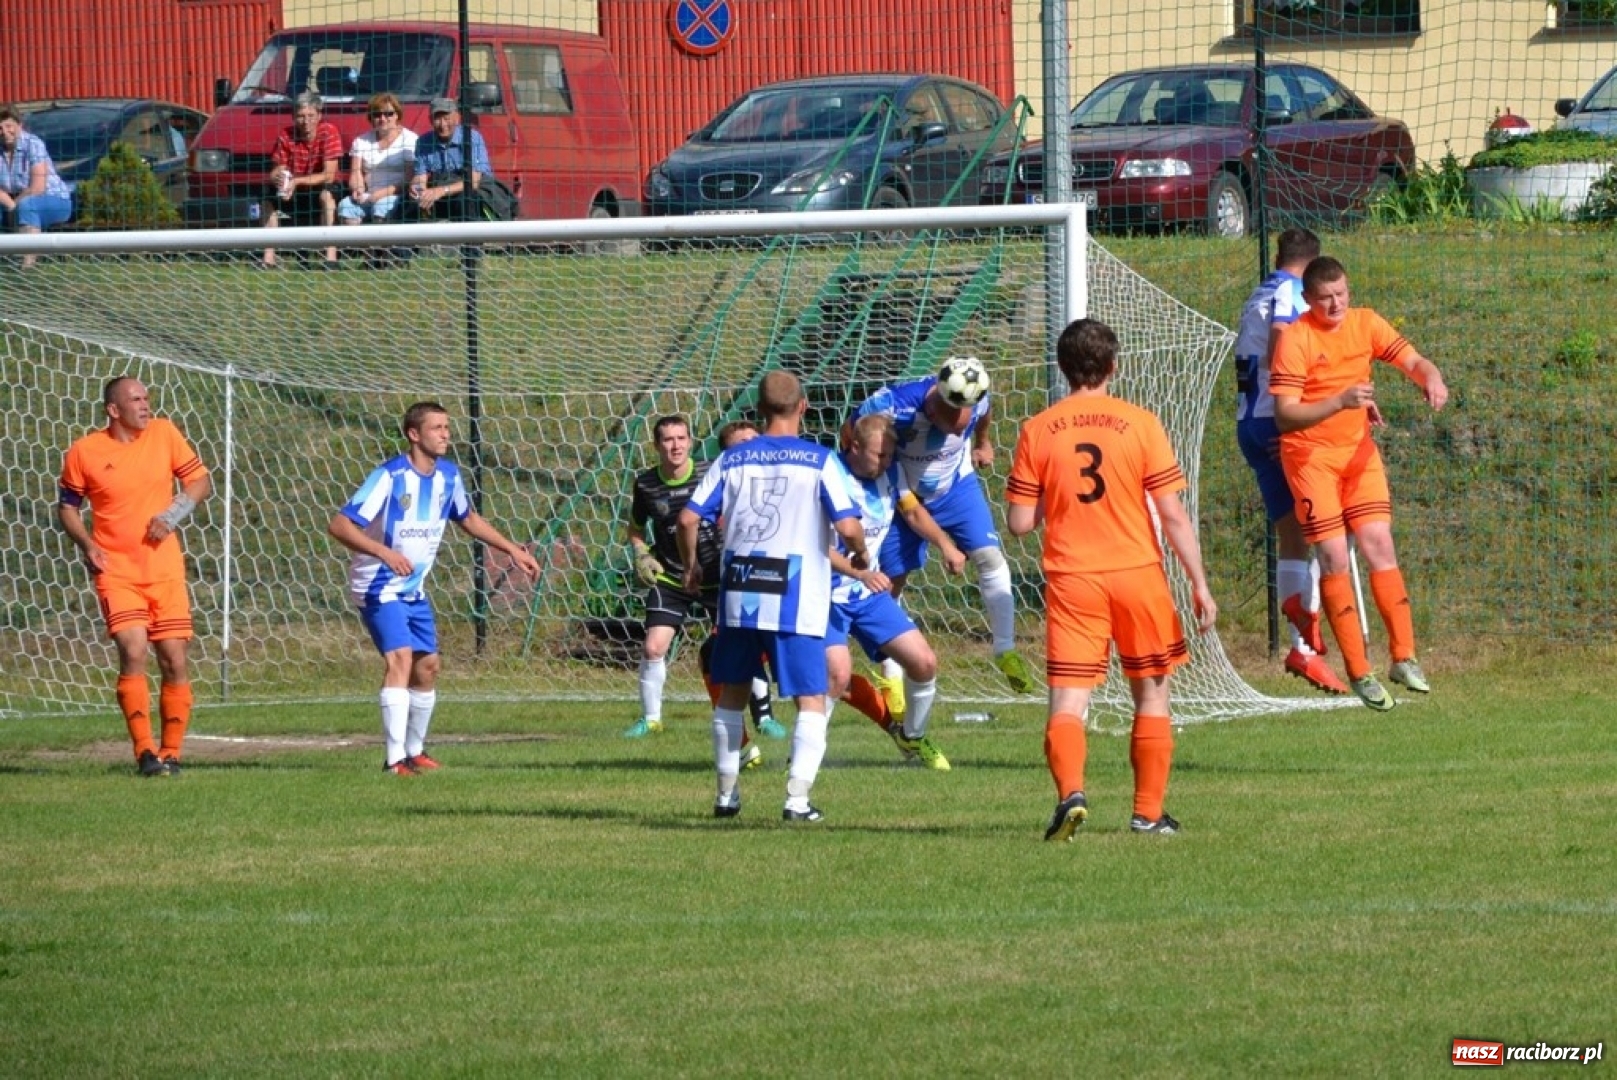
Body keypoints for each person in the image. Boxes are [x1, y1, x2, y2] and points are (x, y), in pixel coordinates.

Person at [1006, 319, 1217, 840]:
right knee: (1152, 694)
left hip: (1073, 577)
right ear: (1113, 367)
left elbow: (1019, 523)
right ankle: (1147, 813)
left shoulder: (1038, 428)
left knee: (1068, 700)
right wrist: (1199, 582)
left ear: (1062, 368)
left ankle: (1071, 794)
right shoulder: (1140, 423)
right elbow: (1171, 514)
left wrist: (1051, 497)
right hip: (1136, 575)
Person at [678, 370, 868, 822]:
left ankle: (726, 796)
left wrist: (691, 566)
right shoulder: (819, 460)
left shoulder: (732, 459)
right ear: (803, 406)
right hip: (793, 596)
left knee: (732, 694)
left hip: (740, 593)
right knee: (811, 698)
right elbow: (847, 526)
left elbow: (687, 519)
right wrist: (860, 552)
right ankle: (796, 801)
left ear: (760, 410)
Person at [1270, 256, 1449, 711]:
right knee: (1333, 557)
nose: (1336, 304)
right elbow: (1285, 415)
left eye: (1342, 294)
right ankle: (1359, 670)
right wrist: (1340, 401)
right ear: (1307, 299)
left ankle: (1403, 657)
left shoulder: (1365, 322)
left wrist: (1431, 378)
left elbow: (1413, 360)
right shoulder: (1295, 338)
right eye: (1325, 298)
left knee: (1379, 544)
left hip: (1358, 455)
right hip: (1311, 459)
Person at [328, 401, 540, 774]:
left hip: (412, 588)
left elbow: (468, 518)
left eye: (447, 427)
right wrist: (383, 552)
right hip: (378, 584)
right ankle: (394, 761)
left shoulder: (448, 476)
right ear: (414, 434)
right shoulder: (389, 477)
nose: (445, 434)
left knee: (428, 666)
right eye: (437, 428)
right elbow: (340, 525)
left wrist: (511, 549)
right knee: (400, 658)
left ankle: (415, 751)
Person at [847, 360, 1035, 705]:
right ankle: (891, 674)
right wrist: (867, 479)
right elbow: (852, 430)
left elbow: (986, 412)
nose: (953, 430)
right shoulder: (891, 403)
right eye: (948, 424)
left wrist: (983, 443)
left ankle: (1005, 650)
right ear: (934, 405)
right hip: (904, 493)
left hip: (955, 486)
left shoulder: (976, 397)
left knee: (990, 558)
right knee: (890, 581)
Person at [58, 377, 212, 777]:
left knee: (174, 658)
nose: (146, 405)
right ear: (114, 410)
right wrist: (87, 544)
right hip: (117, 572)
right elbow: (68, 507)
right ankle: (145, 753)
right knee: (134, 650)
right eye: (136, 399)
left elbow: (201, 481)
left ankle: (171, 754)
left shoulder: (164, 433)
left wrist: (173, 514)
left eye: (147, 398)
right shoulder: (85, 451)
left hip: (164, 570)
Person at [623, 414, 784, 748]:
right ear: (656, 445)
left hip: (719, 574)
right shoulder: (646, 485)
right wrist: (642, 554)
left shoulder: (711, 472)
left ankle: (765, 717)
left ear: (691, 442)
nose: (675, 446)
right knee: (653, 647)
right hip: (672, 576)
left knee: (744, 646)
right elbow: (635, 529)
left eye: (681, 438)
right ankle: (651, 719)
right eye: (668, 439)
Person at [1234, 227, 1347, 695]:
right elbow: (1283, 342)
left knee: (1295, 535)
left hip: (1250, 421)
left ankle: (1303, 646)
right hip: (1277, 421)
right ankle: (1306, 642)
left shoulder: (1260, 291)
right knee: (1329, 526)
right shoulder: (1291, 291)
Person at [826, 413, 966, 771]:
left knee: (924, 662)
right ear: (853, 446)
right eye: (880, 455)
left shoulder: (892, 472)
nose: (886, 462)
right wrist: (859, 572)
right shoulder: (828, 475)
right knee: (835, 677)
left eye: (890, 454)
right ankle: (804, 760)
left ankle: (912, 736)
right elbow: (813, 544)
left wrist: (946, 546)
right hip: (824, 596)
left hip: (866, 594)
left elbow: (914, 513)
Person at [260, 92, 341, 269]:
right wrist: (279, 178)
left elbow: (329, 175)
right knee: (266, 199)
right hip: (295, 189)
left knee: (327, 196)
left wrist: (296, 181)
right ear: (293, 117)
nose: (306, 121)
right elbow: (277, 169)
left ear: (319, 115)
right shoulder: (285, 135)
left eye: (310, 116)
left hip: (320, 186)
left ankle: (330, 258)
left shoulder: (329, 131)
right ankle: (268, 258)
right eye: (301, 116)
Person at [0, 104, 76, 269]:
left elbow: (38, 188)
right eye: (0, 128)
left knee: (28, 205)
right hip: (16, 201)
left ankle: (28, 266)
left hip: (54, 199)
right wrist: (11, 205)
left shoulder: (33, 144)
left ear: (19, 125)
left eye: (9, 126)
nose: (4, 132)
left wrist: (15, 205)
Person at [336, 93, 417, 227]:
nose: (382, 118)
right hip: (368, 195)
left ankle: (381, 241)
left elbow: (409, 178)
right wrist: (358, 188)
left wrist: (381, 194)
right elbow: (356, 172)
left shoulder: (410, 139)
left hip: (398, 195)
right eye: (377, 114)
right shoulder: (361, 141)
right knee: (346, 206)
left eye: (388, 114)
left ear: (397, 115)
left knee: (381, 207)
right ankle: (355, 240)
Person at [407, 98, 492, 223]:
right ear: (430, 120)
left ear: (457, 118)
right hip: (438, 192)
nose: (442, 124)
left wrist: (441, 191)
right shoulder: (423, 142)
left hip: (471, 192)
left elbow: (474, 181)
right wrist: (418, 190)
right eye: (437, 119)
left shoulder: (472, 138)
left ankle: (470, 235)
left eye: (447, 118)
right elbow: (420, 176)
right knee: (412, 203)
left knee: (465, 199)